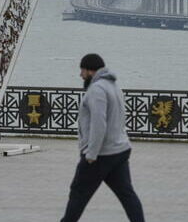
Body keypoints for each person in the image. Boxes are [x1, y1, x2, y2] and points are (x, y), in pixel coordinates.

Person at [60, 53, 145, 222]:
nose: (80, 75)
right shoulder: (114, 86)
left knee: (78, 193)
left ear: (90, 71)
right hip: (119, 150)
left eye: (82, 70)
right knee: (127, 194)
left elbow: (99, 124)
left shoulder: (97, 89)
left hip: (100, 155)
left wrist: (91, 154)